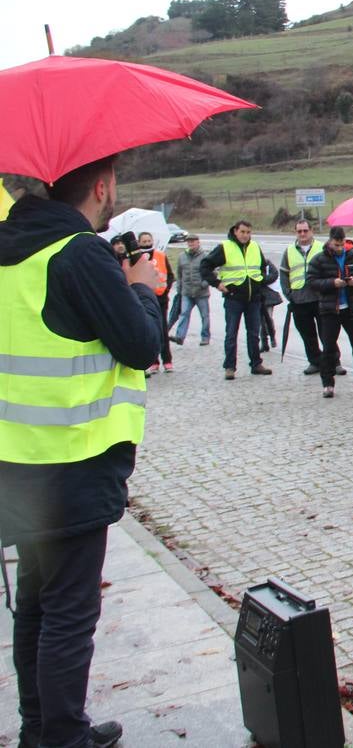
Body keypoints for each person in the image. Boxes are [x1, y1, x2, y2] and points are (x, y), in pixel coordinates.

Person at [0, 156, 162, 748]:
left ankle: (43, 729)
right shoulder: (77, 250)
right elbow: (139, 344)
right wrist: (141, 291)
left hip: (17, 462)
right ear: (102, 185)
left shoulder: (12, 245)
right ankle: (62, 740)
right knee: (69, 612)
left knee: (38, 606)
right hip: (71, 460)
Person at [200, 219, 275, 379]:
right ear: (235, 231)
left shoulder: (255, 247)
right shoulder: (225, 247)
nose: (245, 235)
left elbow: (262, 266)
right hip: (234, 297)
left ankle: (256, 364)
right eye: (242, 232)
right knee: (231, 333)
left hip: (253, 297)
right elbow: (205, 266)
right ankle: (230, 367)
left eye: (248, 232)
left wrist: (259, 280)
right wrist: (217, 283)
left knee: (254, 333)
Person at [309, 227, 353, 398]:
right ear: (330, 241)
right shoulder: (319, 259)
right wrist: (332, 283)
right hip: (330, 310)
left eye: (341, 244)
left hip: (351, 308)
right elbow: (311, 281)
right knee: (328, 348)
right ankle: (328, 384)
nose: (339, 248)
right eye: (336, 245)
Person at [280, 218, 328, 375]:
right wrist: (289, 295)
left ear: (311, 231)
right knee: (307, 335)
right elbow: (284, 275)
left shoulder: (322, 248)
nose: (302, 234)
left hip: (320, 297)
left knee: (327, 333)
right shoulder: (289, 251)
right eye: (299, 231)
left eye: (305, 230)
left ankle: (333, 361)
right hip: (299, 300)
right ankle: (315, 362)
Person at [137, 231, 174, 373]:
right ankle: (154, 361)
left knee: (163, 330)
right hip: (145, 300)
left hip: (161, 298)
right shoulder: (137, 258)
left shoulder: (161, 255)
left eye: (149, 240)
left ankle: (167, 360)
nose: (147, 243)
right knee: (151, 330)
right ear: (139, 242)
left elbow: (170, 275)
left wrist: (166, 289)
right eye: (144, 241)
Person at [170, 233, 211, 348]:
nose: (191, 243)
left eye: (193, 241)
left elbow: (212, 273)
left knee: (204, 316)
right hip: (186, 292)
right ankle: (180, 336)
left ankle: (205, 337)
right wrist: (179, 288)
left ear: (198, 242)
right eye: (189, 241)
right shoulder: (181, 256)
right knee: (184, 314)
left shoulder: (205, 257)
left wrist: (204, 284)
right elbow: (179, 273)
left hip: (201, 292)